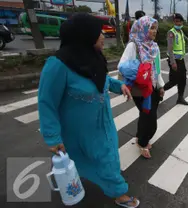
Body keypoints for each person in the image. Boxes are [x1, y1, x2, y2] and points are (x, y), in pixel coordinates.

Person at [38, 14, 140, 208]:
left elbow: (101, 80)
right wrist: (52, 137)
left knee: (107, 157)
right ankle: (119, 193)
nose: (103, 36)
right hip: (77, 131)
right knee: (92, 158)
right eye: (98, 32)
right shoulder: (58, 65)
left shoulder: (93, 59)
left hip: (103, 124)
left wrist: (119, 86)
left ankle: (110, 187)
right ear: (83, 36)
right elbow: (46, 102)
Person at [118, 16, 165, 159]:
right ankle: (143, 143)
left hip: (154, 87)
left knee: (146, 116)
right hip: (142, 88)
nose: (154, 31)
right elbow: (122, 66)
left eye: (155, 28)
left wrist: (161, 86)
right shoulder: (134, 45)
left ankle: (140, 137)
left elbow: (157, 69)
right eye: (151, 28)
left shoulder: (154, 46)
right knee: (150, 120)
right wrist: (140, 70)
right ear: (142, 28)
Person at [163, 13, 188, 105]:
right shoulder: (171, 33)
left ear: (182, 22)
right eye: (176, 21)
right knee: (173, 81)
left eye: (180, 21)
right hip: (174, 61)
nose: (178, 23)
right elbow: (170, 49)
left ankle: (180, 98)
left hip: (181, 60)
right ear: (174, 22)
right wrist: (173, 63)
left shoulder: (180, 31)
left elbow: (185, 38)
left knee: (183, 79)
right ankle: (158, 92)